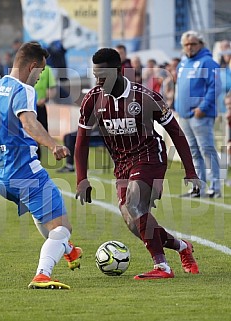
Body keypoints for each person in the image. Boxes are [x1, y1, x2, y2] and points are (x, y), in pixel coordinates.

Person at [74, 48, 201, 280]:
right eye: (95, 76)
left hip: (150, 156)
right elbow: (81, 142)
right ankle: (183, 247)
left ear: (120, 71)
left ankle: (162, 266)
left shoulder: (145, 97)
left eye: (103, 76)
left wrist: (190, 171)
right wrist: (81, 178)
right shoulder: (92, 99)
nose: (98, 81)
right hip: (122, 164)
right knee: (133, 222)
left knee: (134, 205)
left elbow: (176, 133)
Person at [0, 42, 82, 290]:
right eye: (40, 73)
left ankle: (69, 251)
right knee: (62, 227)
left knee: (46, 217)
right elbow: (29, 122)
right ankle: (42, 274)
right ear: (32, 66)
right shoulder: (24, 89)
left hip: (0, 179)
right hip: (25, 173)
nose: (39, 78)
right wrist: (53, 145)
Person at [175, 30, 222, 198]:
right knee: (193, 152)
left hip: (200, 115)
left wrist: (202, 107)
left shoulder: (208, 62)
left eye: (193, 44)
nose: (189, 47)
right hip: (185, 115)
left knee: (207, 150)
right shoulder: (182, 63)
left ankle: (215, 186)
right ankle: (198, 187)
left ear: (201, 44)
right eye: (186, 44)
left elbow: (215, 86)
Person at [34, 63, 57, 160]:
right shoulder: (27, 68)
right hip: (26, 107)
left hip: (40, 106)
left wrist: (46, 99)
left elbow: (52, 88)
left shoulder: (47, 69)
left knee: (40, 134)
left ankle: (37, 160)